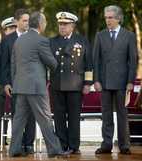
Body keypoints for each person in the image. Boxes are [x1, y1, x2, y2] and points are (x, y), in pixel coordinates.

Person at [8, 11, 68, 158]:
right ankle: (54, 149)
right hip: (36, 87)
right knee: (45, 119)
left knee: (18, 120)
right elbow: (52, 63)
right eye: (45, 21)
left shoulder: (19, 40)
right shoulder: (41, 40)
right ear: (40, 24)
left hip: (20, 86)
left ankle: (14, 149)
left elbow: (13, 65)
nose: (46, 24)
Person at [93, 5, 137, 155]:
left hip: (122, 82)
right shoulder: (100, 35)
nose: (108, 20)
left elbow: (133, 60)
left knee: (122, 115)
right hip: (104, 82)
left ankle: (124, 145)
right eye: (106, 17)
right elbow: (96, 60)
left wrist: (131, 81)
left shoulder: (129, 36)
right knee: (106, 115)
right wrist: (96, 80)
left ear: (118, 18)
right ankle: (106, 145)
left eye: (110, 17)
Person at [49, 12, 93, 154]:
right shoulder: (52, 41)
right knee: (59, 117)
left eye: (65, 24)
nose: (62, 27)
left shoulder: (82, 41)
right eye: (60, 24)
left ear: (72, 25)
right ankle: (62, 144)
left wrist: (87, 83)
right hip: (57, 84)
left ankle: (74, 145)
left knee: (74, 117)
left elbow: (88, 63)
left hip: (76, 85)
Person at [1, 9, 36, 153]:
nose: (27, 23)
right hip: (15, 85)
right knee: (18, 115)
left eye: (28, 20)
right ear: (16, 22)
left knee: (31, 115)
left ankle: (29, 144)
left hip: (32, 84)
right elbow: (4, 65)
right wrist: (6, 83)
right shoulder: (7, 40)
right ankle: (18, 144)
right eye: (24, 20)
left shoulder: (35, 38)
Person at [0, 16, 16, 147]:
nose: (12, 31)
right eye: (10, 28)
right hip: (3, 84)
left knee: (17, 114)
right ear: (5, 30)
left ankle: (16, 139)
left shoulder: (21, 43)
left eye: (14, 28)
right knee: (1, 113)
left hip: (17, 83)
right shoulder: (0, 45)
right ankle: (0, 138)